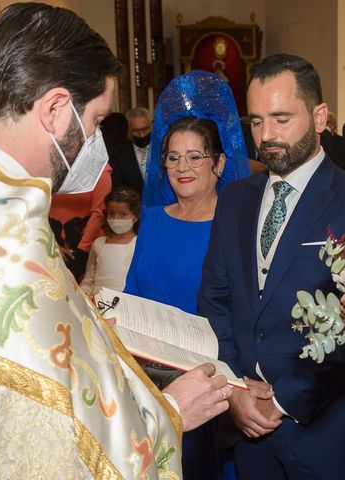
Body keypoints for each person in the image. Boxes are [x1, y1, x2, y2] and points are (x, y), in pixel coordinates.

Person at [0, 4, 231, 477]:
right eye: (95, 122)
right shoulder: (9, 245)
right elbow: (50, 448)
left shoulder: (0, 207)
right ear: (55, 110)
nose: (96, 139)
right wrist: (169, 415)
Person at [198, 54, 345, 480]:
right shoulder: (235, 200)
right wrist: (234, 390)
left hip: (322, 429)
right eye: (255, 121)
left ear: (319, 116)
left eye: (281, 118)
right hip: (247, 426)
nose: (266, 136)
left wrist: (282, 400)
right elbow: (215, 299)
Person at [125, 70, 251, 479]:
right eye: (173, 157)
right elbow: (134, 296)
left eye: (195, 156)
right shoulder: (153, 220)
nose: (183, 167)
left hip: (218, 384)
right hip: (158, 381)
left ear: (218, 163)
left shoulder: (236, 224)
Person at [48, 163, 112, 281]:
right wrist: (53, 244)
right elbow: (39, 206)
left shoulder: (99, 170)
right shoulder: (51, 165)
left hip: (88, 249)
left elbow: (99, 213)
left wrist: (81, 251)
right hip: (53, 245)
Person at [80, 187, 140, 297]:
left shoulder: (139, 244)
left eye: (123, 214)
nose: (116, 219)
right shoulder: (99, 243)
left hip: (125, 302)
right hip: (97, 301)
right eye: (111, 214)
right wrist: (83, 296)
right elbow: (89, 277)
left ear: (135, 216)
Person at [109, 107, 152, 195]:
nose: (141, 135)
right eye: (136, 131)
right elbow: (118, 189)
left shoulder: (164, 148)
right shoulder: (118, 155)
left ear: (152, 126)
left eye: (145, 129)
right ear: (128, 131)